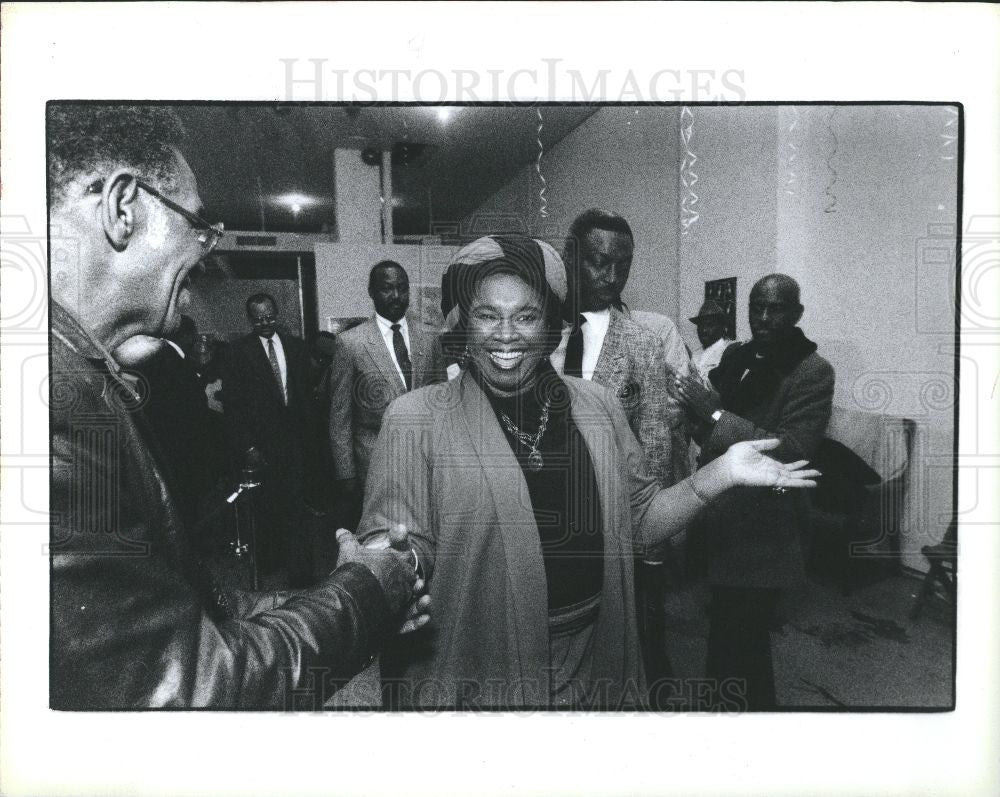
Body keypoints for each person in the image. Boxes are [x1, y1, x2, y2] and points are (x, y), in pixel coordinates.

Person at [48, 104, 427, 709]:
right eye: (197, 226)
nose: (207, 253)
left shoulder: (70, 375)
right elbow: (193, 690)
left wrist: (344, 591)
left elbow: (166, 613)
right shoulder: (51, 411)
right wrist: (369, 592)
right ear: (123, 208)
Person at [358, 235, 819, 709]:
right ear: (464, 325)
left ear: (551, 325)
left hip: (596, 652)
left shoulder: (596, 404)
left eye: (526, 315)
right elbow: (396, 540)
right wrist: (378, 565)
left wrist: (721, 472)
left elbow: (641, 521)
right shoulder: (415, 418)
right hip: (485, 662)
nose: (506, 333)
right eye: (487, 314)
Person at [674, 274, 835, 709]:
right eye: (756, 307)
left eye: (776, 308)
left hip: (766, 528)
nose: (763, 317)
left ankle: (752, 733)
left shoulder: (812, 370)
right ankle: (720, 718)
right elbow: (706, 425)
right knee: (726, 636)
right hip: (724, 517)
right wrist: (689, 411)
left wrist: (713, 416)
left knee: (745, 642)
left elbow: (794, 450)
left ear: (797, 313)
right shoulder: (739, 355)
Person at [554, 208, 690, 697]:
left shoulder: (642, 343)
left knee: (626, 638)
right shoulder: (533, 329)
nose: (611, 277)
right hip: (542, 512)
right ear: (571, 258)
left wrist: (648, 539)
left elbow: (654, 445)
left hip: (611, 519)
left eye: (623, 265)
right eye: (597, 261)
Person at [327, 260, 446, 516]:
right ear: (372, 291)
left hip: (424, 460)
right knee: (382, 536)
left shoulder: (429, 337)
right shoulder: (351, 344)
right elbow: (340, 416)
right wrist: (345, 472)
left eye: (402, 288)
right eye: (387, 288)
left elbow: (442, 400)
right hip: (373, 461)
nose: (396, 296)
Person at [222, 293, 321, 586]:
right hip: (261, 448)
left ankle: (301, 575)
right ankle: (270, 573)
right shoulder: (238, 353)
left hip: (296, 444)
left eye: (270, 317)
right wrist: (247, 446)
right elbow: (234, 406)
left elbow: (304, 396)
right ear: (249, 319)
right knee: (267, 512)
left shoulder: (296, 347)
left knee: (298, 511)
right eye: (258, 319)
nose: (265, 323)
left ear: (277, 314)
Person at [689, 299, 736, 382]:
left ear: (722, 327)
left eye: (710, 325)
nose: (704, 330)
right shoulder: (695, 355)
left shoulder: (729, 351)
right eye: (701, 325)